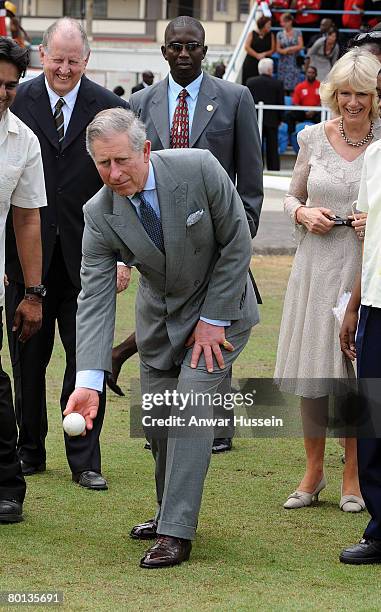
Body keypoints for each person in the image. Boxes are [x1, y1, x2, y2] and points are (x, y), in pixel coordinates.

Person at [64, 107, 259, 568]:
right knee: (158, 424)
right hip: (159, 324)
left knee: (190, 410)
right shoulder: (98, 213)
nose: (113, 174)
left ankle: (176, 531)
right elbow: (93, 297)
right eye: (102, 164)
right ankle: (167, 509)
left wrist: (213, 318)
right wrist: (88, 380)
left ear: (146, 150)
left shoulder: (198, 168)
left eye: (122, 161)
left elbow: (237, 241)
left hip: (221, 313)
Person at [107, 15, 264, 455]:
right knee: (173, 330)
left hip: (217, 243)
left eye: (191, 46)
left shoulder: (235, 98)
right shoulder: (141, 101)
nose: (183, 54)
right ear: (163, 51)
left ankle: (217, 429)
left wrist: (240, 237)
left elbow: (249, 179)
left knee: (215, 328)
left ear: (204, 51)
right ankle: (166, 427)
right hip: (160, 248)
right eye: (175, 46)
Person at [5, 17, 129, 490]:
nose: (64, 69)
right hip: (25, 261)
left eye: (73, 61)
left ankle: (85, 460)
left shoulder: (110, 109)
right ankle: (29, 451)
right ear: (41, 55)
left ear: (87, 61)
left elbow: (124, 189)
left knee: (88, 359)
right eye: (56, 59)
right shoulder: (17, 102)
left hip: (90, 261)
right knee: (27, 361)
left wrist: (122, 257)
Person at [274, 48, 381, 512]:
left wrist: (373, 223)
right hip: (314, 264)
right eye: (344, 94)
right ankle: (313, 471)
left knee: (355, 376)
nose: (352, 103)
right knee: (313, 370)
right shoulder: (313, 137)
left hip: (364, 267)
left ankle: (352, 476)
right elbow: (290, 196)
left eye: (361, 94)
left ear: (376, 98)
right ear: (332, 94)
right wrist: (302, 212)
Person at [0, 37, 46, 523]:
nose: (2, 92)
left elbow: (27, 220)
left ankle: (8, 489)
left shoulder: (23, 140)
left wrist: (33, 293)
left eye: (11, 85)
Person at [339, 86, 381, 563]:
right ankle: (379, 529)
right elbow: (368, 238)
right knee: (373, 423)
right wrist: (354, 305)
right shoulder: (374, 157)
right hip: (375, 302)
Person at [246, 58, 284, 171]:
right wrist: (280, 119)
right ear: (269, 69)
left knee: (255, 146)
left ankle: (255, 169)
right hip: (272, 120)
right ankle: (274, 169)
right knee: (272, 147)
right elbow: (280, 103)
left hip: (255, 119)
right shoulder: (277, 83)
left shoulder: (250, 82)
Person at [285, 65, 321, 136]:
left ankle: (320, 138)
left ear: (316, 74)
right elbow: (295, 102)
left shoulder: (320, 86)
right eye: (309, 72)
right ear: (306, 73)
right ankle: (291, 137)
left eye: (312, 73)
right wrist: (304, 111)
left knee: (324, 117)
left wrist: (313, 111)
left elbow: (323, 101)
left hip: (316, 112)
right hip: (303, 112)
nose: (310, 74)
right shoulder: (300, 86)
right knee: (289, 115)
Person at [242, 15, 276, 85]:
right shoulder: (252, 33)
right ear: (263, 24)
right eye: (268, 24)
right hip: (251, 61)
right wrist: (257, 55)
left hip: (264, 62)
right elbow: (247, 47)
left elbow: (273, 49)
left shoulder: (271, 35)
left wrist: (264, 54)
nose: (270, 26)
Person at [276, 13, 304, 95]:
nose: (282, 24)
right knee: (283, 85)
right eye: (282, 22)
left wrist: (289, 49)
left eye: (284, 22)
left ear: (290, 22)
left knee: (294, 85)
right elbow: (278, 49)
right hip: (283, 62)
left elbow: (300, 45)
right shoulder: (279, 34)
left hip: (294, 62)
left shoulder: (297, 32)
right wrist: (284, 51)